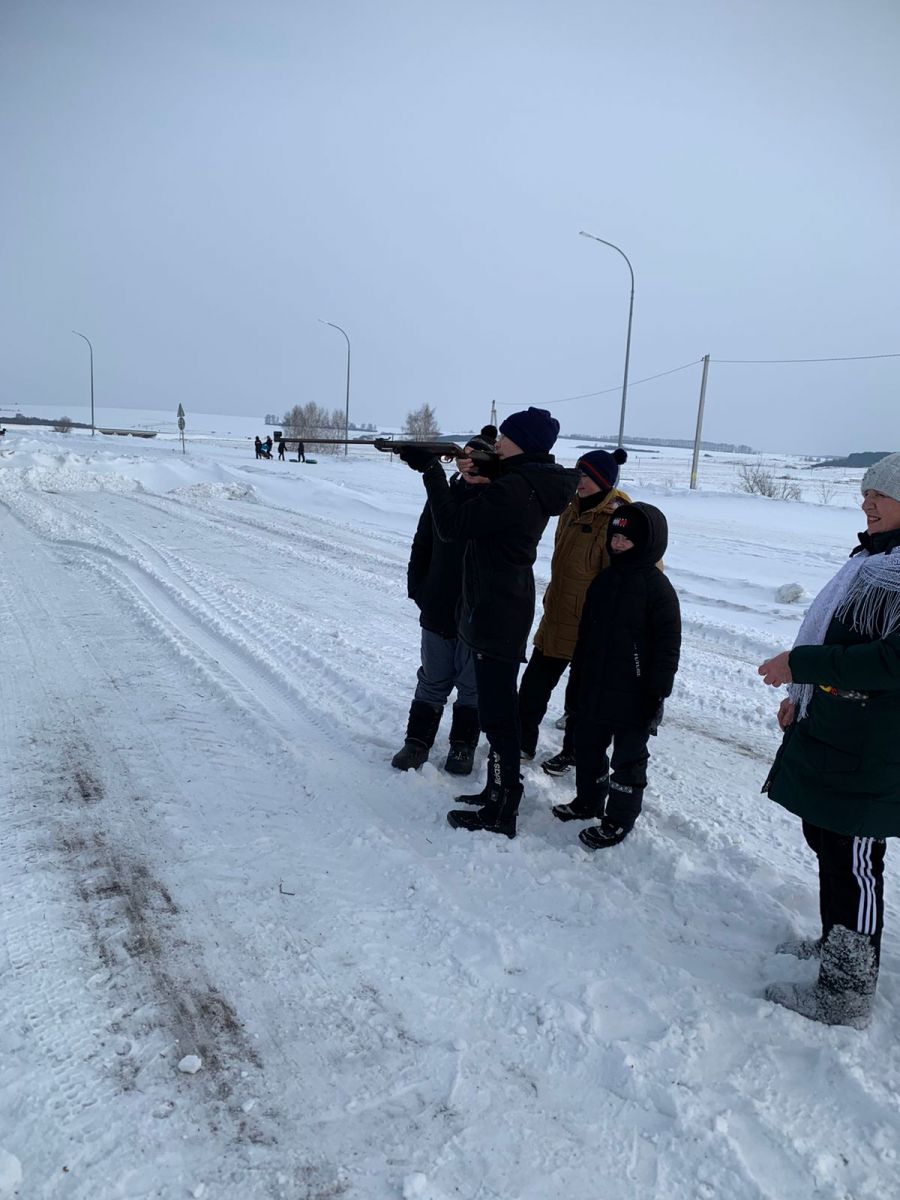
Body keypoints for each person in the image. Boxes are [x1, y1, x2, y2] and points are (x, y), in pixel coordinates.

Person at [758, 453, 900, 1029]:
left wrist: (802, 663)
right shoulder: (875, 559)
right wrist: (804, 694)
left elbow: (891, 662)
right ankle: (836, 943)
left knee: (854, 861)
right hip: (841, 731)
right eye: (866, 493)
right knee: (827, 841)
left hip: (876, 749)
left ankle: (846, 992)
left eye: (881, 495)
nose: (867, 503)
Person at [399, 407, 578, 837]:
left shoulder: (518, 487)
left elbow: (451, 524)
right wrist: (468, 468)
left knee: (498, 717)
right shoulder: (526, 481)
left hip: (496, 612)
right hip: (501, 606)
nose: (498, 444)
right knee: (498, 713)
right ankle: (497, 792)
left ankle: (502, 810)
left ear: (523, 443)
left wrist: (431, 472)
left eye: (505, 438)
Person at [554, 502, 681, 850]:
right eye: (615, 536)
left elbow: (668, 647)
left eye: (627, 539)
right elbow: (585, 637)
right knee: (587, 747)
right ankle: (589, 801)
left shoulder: (658, 589)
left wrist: (657, 693)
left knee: (628, 759)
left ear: (648, 543)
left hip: (635, 694)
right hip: (595, 686)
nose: (619, 543)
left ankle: (619, 819)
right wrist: (576, 680)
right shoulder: (603, 581)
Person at [518, 447, 629, 775]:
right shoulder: (570, 509)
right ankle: (521, 742)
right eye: (578, 473)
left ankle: (573, 753)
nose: (579, 480)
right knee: (533, 688)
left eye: (587, 476)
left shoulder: (619, 520)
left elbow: (627, 576)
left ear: (604, 481)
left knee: (581, 698)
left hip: (591, 626)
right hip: (557, 615)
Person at [391, 437, 495, 775]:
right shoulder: (443, 495)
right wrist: (418, 587)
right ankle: (417, 742)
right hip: (438, 603)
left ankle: (463, 746)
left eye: (478, 459)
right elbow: (422, 542)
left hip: (477, 611)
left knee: (471, 684)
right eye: (465, 458)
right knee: (432, 678)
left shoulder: (498, 503)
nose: (469, 465)